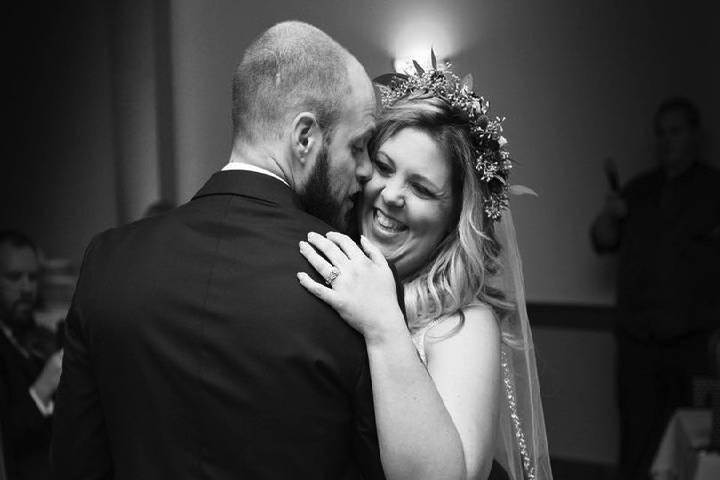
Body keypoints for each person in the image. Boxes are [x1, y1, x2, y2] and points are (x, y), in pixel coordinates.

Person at [51, 21, 386, 479]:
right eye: (360, 145)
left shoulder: (109, 260)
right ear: (304, 137)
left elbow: (76, 464)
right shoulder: (352, 280)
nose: (367, 171)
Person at [298, 65, 552, 479]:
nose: (391, 195)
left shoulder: (463, 325)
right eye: (382, 167)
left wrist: (385, 325)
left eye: (421, 189)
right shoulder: (327, 271)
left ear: (454, 218)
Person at [590, 97, 720, 479]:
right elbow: (600, 239)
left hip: (694, 343)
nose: (666, 141)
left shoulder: (715, 189)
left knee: (693, 443)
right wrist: (609, 216)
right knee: (636, 440)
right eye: (660, 134)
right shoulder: (639, 189)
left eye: (675, 132)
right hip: (638, 344)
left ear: (695, 135)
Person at [0, 230, 62, 480]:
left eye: (33, 277)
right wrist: (42, 389)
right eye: (14, 277)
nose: (26, 288)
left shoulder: (41, 335)